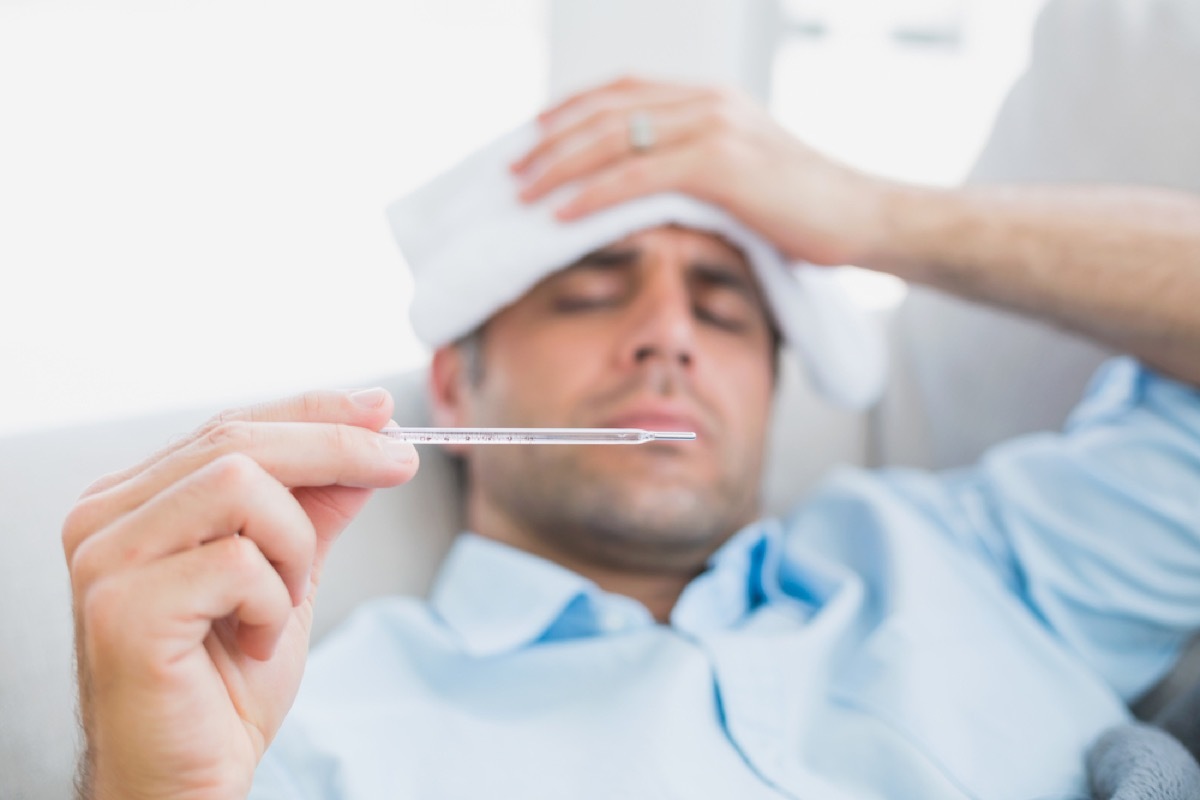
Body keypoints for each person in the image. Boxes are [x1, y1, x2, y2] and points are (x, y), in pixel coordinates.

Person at [62, 77, 1200, 799]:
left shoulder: (987, 556)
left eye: (722, 303)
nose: (668, 334)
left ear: (772, 385)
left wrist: (874, 217)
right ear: (455, 385)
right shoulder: (298, 735)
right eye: (594, 291)